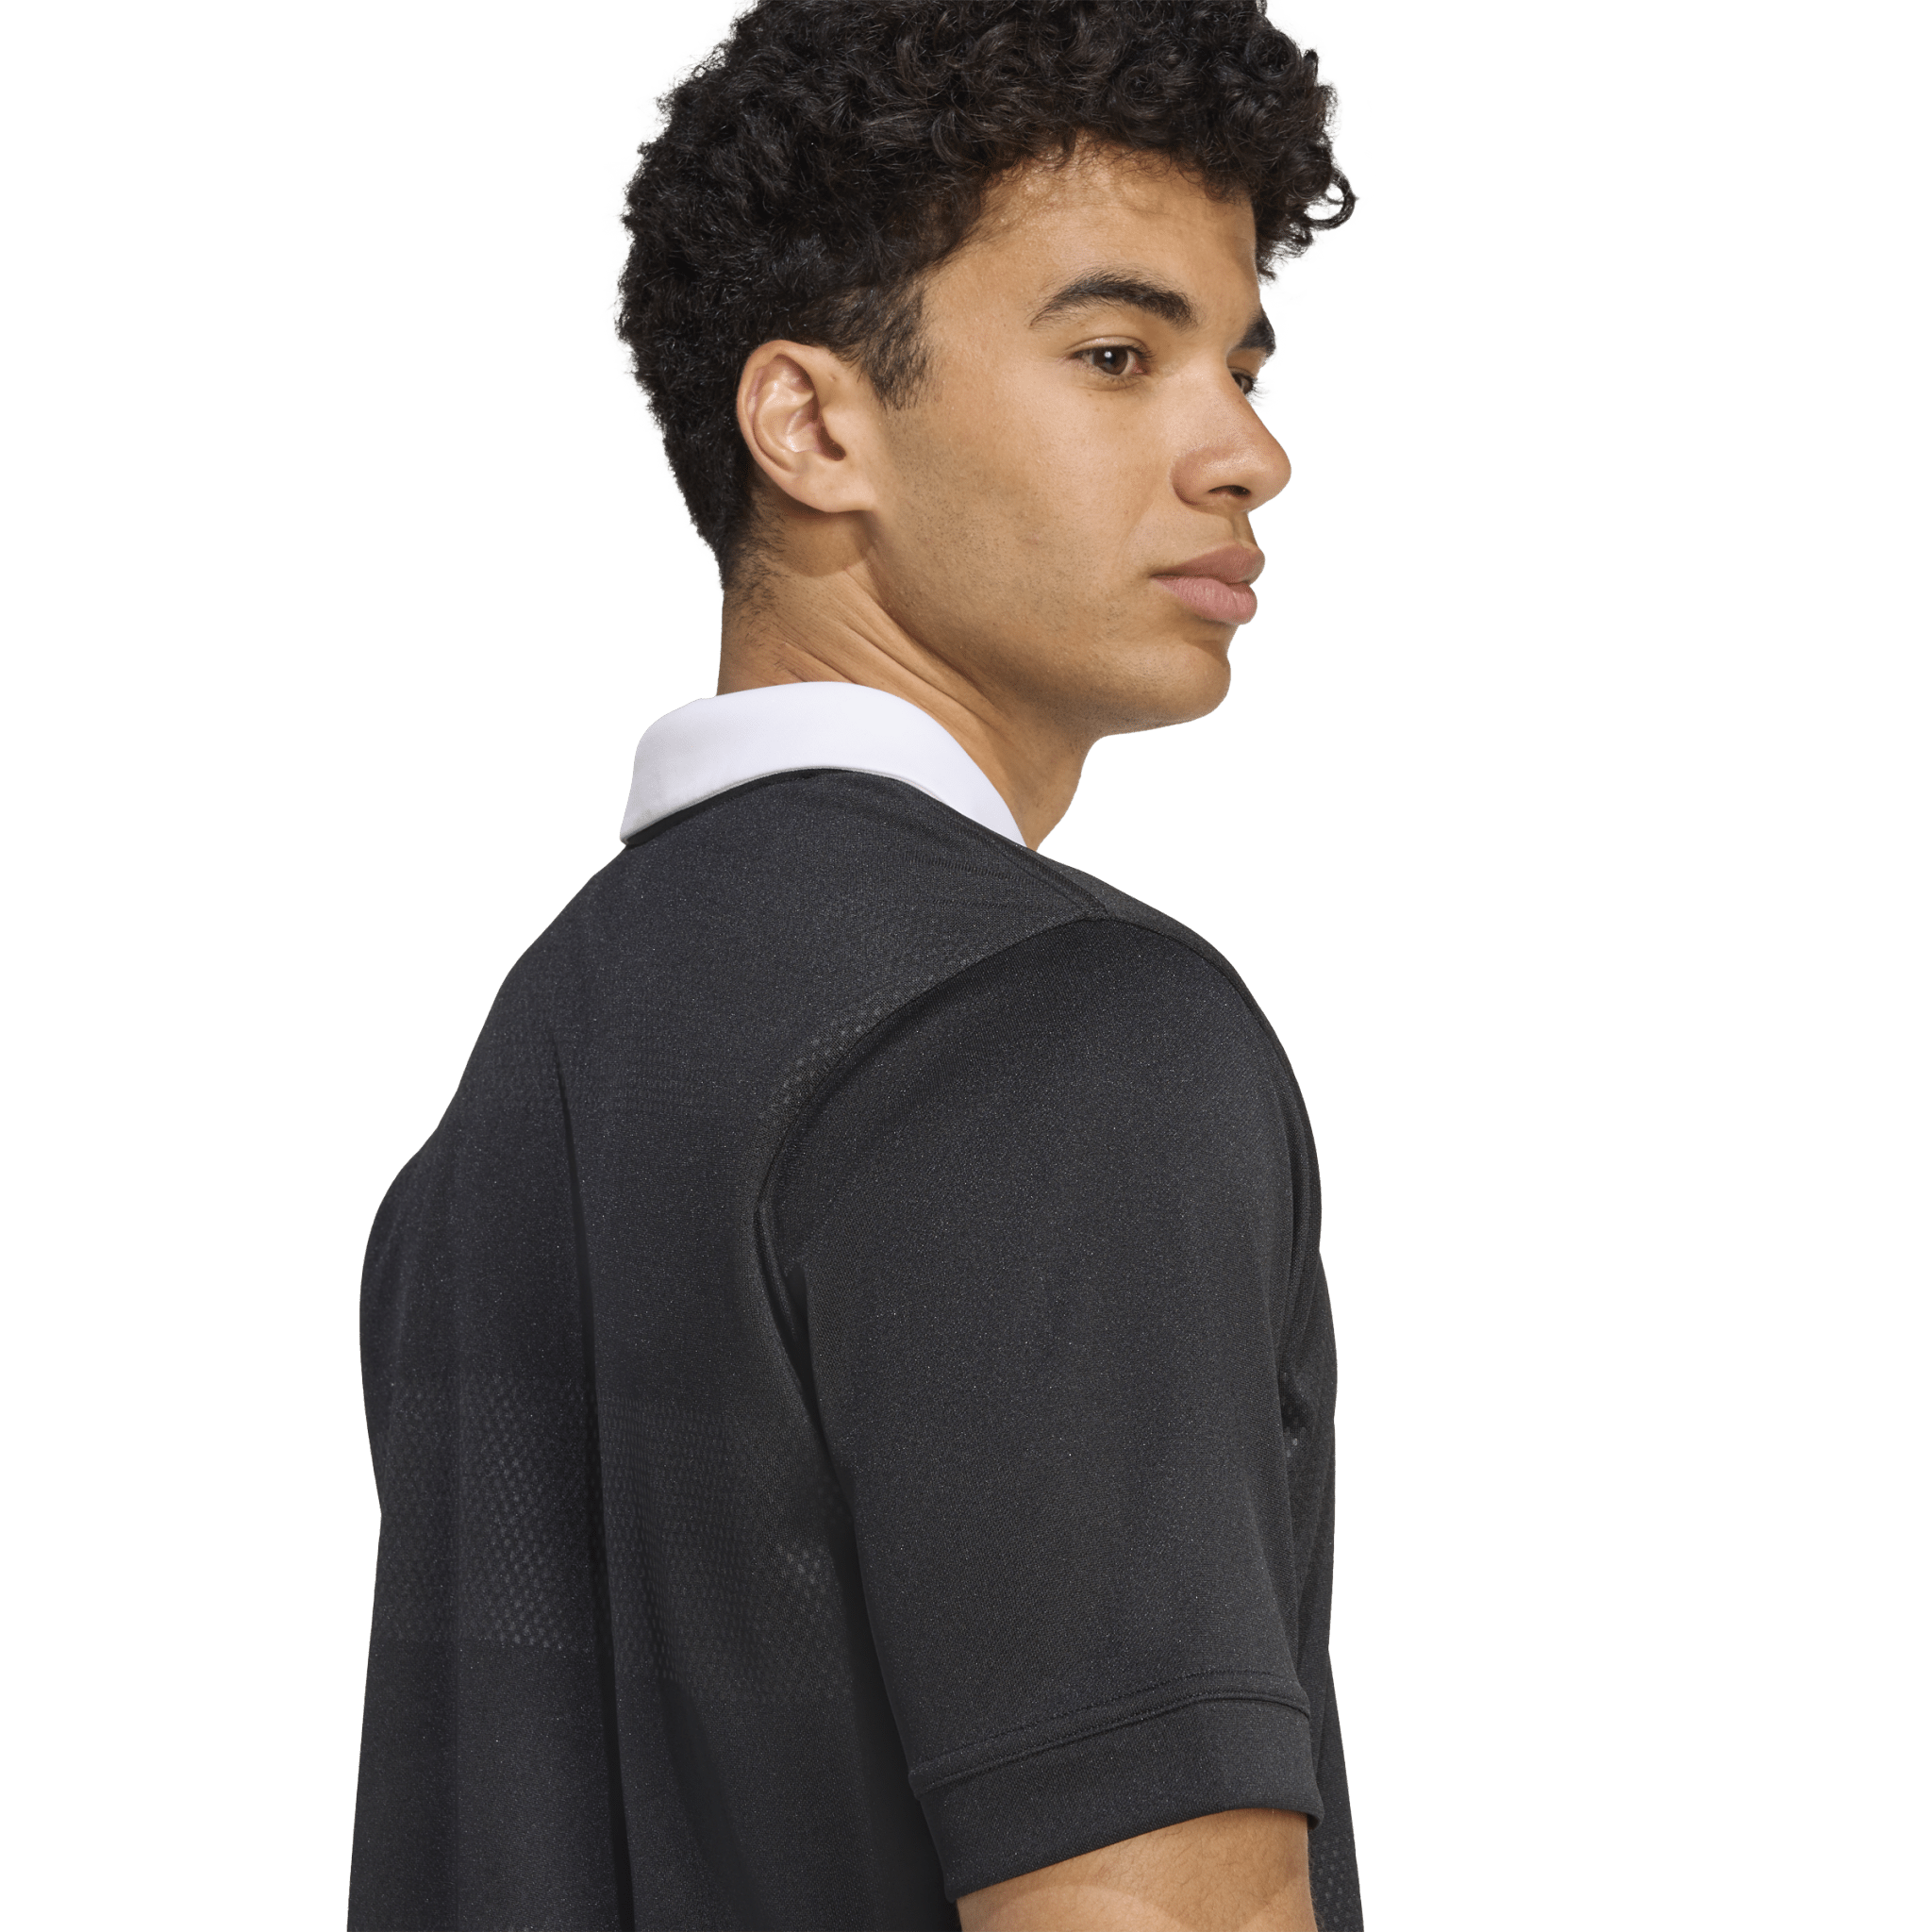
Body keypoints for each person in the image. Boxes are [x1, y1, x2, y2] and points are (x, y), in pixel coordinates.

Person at [346, 2, 1363, 1926]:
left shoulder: (507, 1110)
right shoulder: (1051, 1035)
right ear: (813, 425)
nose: (1248, 453)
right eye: (1117, 354)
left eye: (1245, 363)